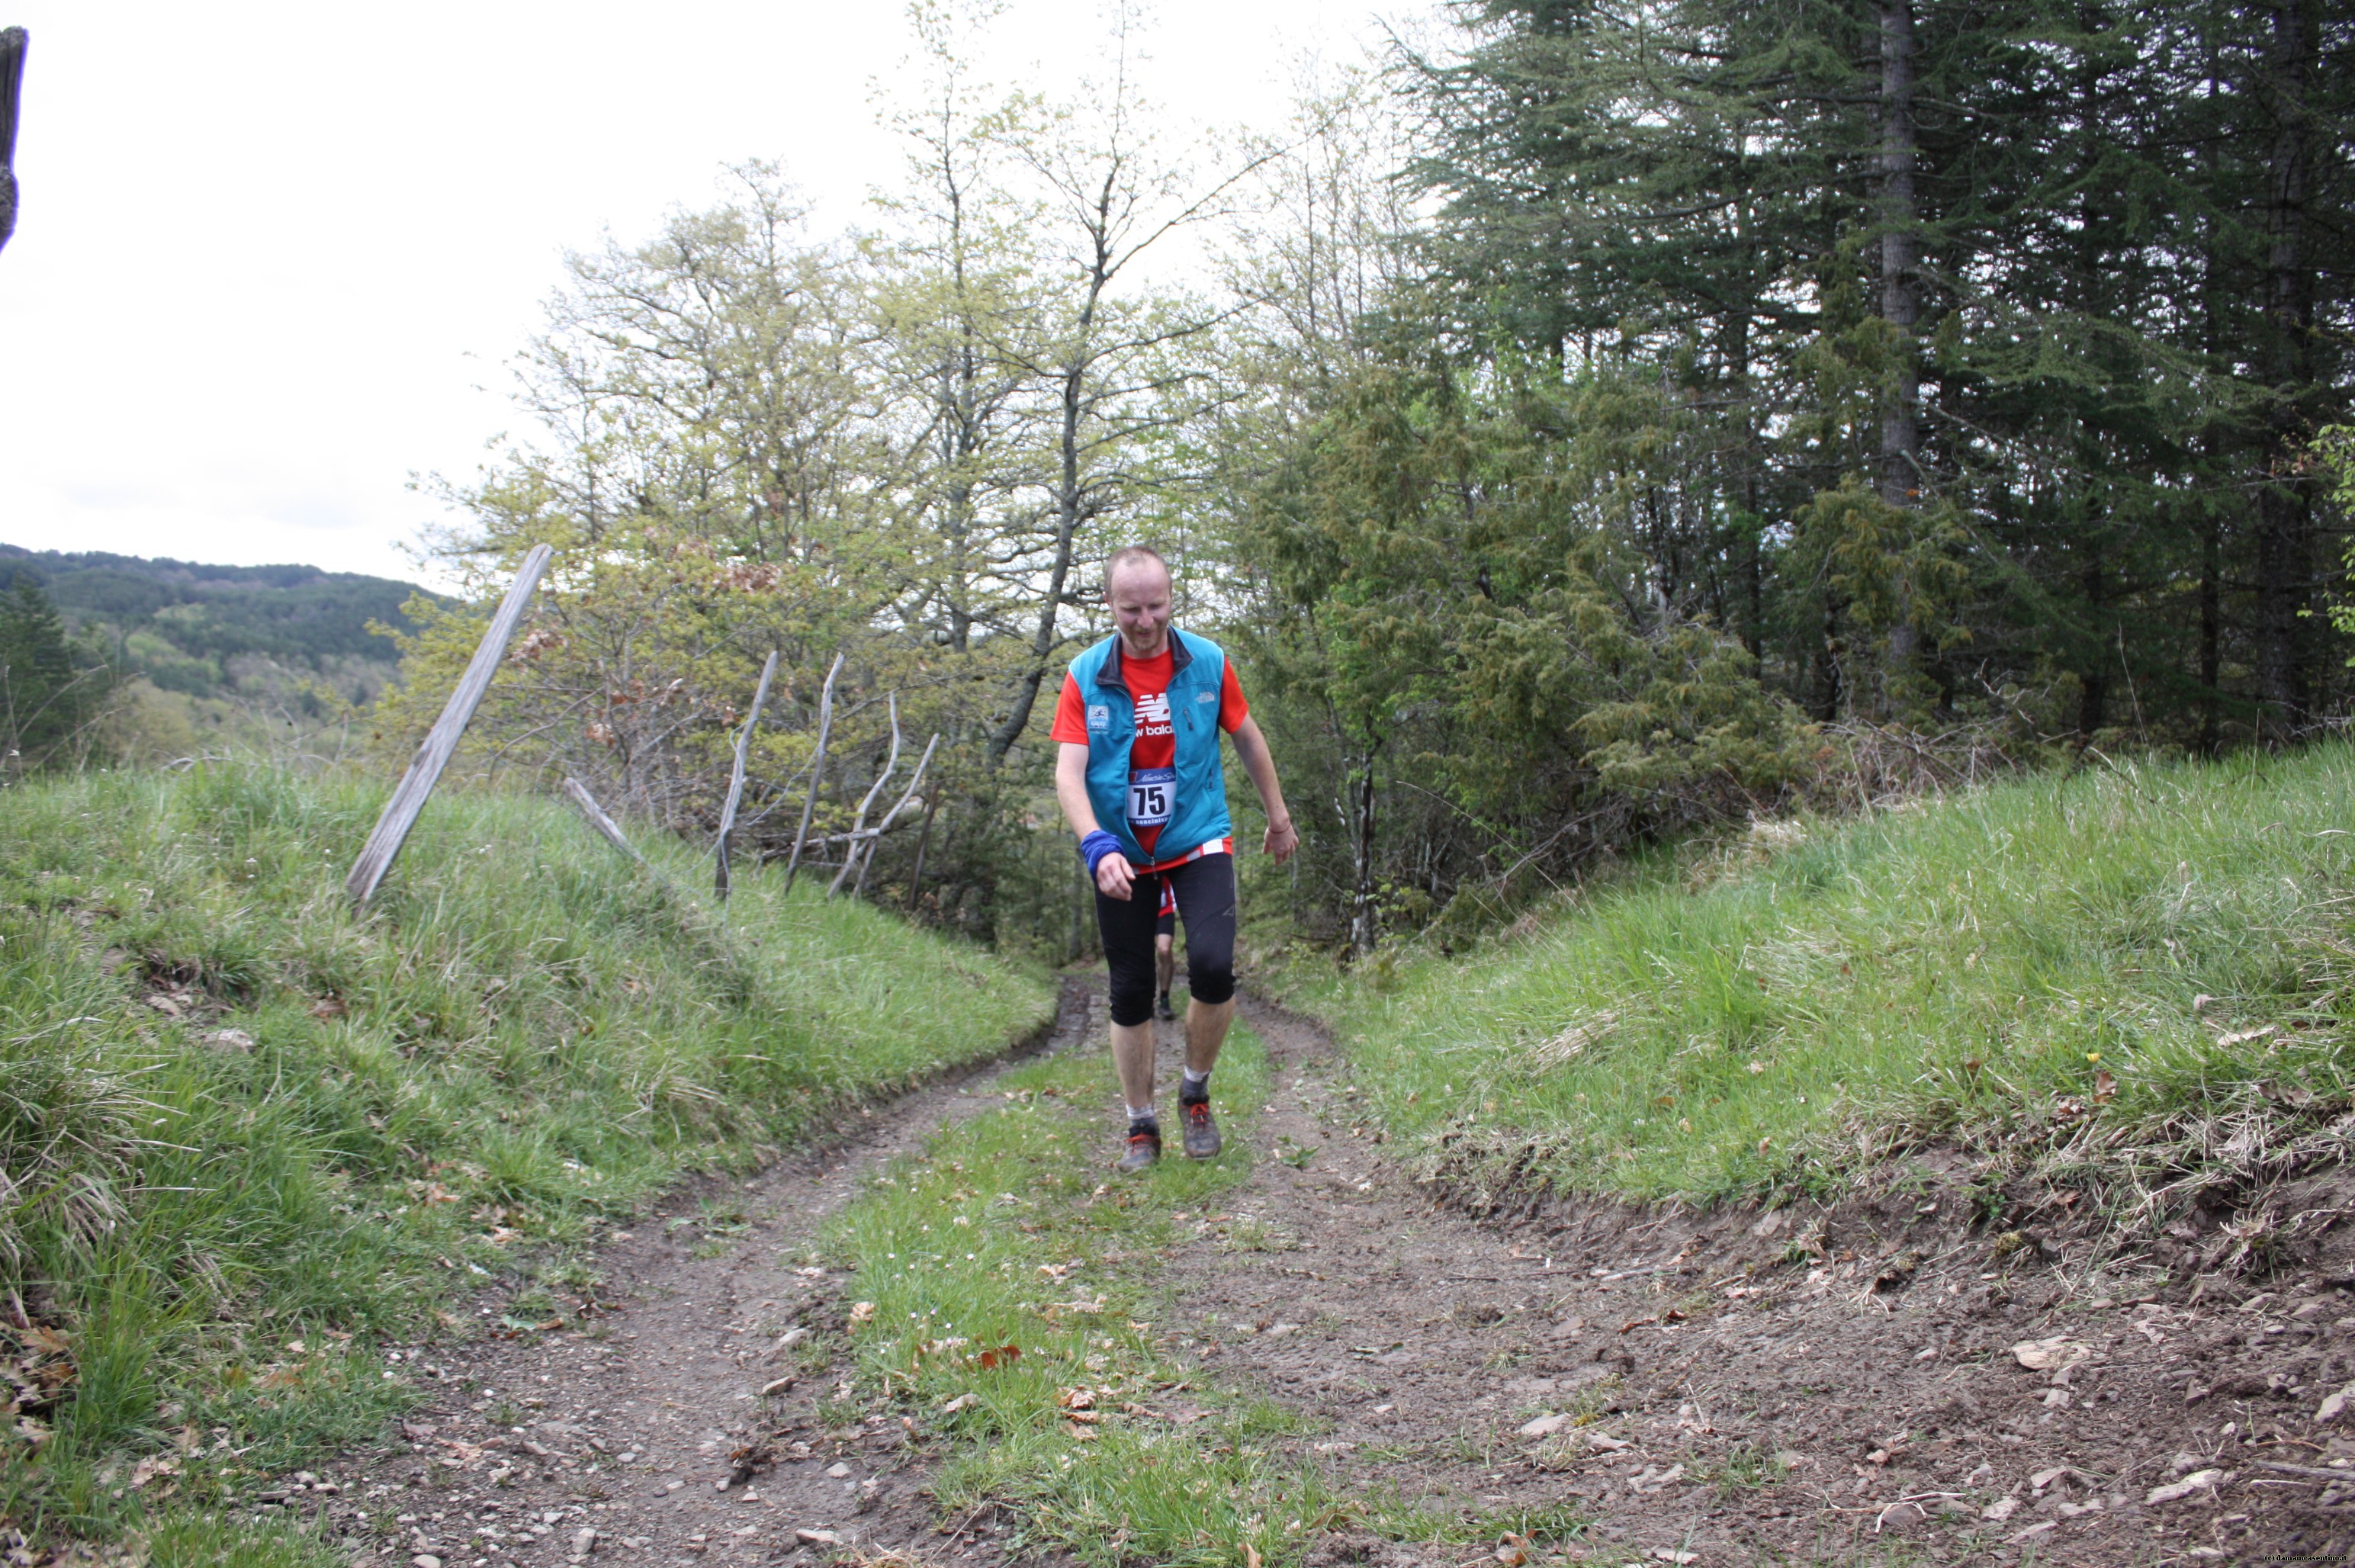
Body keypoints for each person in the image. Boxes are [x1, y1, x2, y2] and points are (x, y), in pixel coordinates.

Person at [1051, 545, 1298, 1170]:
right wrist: (1095, 843)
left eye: (1156, 606)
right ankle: (1141, 1126)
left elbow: (1246, 734)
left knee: (1213, 967)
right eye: (1130, 608)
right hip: (1122, 850)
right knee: (1131, 990)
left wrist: (1278, 816)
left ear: (1171, 600)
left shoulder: (1208, 661)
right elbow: (1069, 774)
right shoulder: (1085, 674)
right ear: (1110, 604)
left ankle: (1194, 1091)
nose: (1145, 621)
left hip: (1197, 835)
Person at [1154, 881, 1179, 1021]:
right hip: (1141, 907)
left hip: (1166, 909)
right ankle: (1146, 999)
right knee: (1144, 954)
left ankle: (1164, 998)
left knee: (1164, 950)